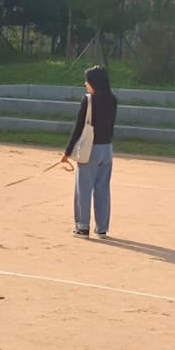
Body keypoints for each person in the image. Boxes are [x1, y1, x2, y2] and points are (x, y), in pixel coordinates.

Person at [60, 65, 118, 238]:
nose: (86, 84)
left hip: (90, 150)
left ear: (94, 83)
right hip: (107, 149)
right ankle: (101, 228)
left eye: (88, 81)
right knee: (102, 189)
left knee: (83, 189)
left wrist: (67, 151)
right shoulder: (113, 99)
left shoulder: (88, 100)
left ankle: (82, 226)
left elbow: (78, 127)